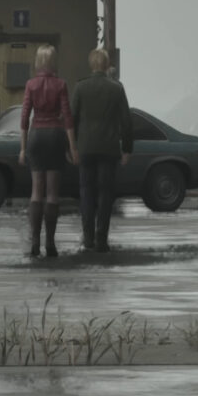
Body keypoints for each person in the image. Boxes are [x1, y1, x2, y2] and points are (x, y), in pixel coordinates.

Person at [18, 45, 78, 257]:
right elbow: (68, 117)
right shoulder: (61, 84)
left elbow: (24, 118)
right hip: (55, 135)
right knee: (52, 192)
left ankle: (35, 241)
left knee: (37, 190)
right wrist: (72, 147)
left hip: (36, 136)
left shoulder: (30, 85)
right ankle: (50, 243)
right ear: (53, 62)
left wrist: (23, 148)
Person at [71, 48, 132, 252]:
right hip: (109, 148)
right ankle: (101, 239)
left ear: (91, 65)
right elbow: (126, 121)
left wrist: (70, 147)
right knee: (106, 193)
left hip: (86, 148)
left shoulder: (80, 88)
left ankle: (88, 238)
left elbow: (72, 120)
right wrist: (127, 148)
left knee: (86, 192)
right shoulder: (116, 89)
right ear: (107, 66)